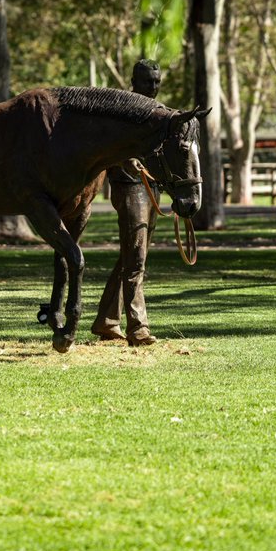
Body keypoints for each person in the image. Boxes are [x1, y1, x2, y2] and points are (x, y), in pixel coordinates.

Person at [91, 59, 162, 346]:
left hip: (153, 188)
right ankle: (138, 327)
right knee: (136, 259)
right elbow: (103, 146)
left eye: (157, 81)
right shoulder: (121, 111)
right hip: (129, 187)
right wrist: (124, 160)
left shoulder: (158, 111)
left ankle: (106, 321)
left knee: (130, 257)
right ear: (134, 82)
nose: (153, 87)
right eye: (147, 81)